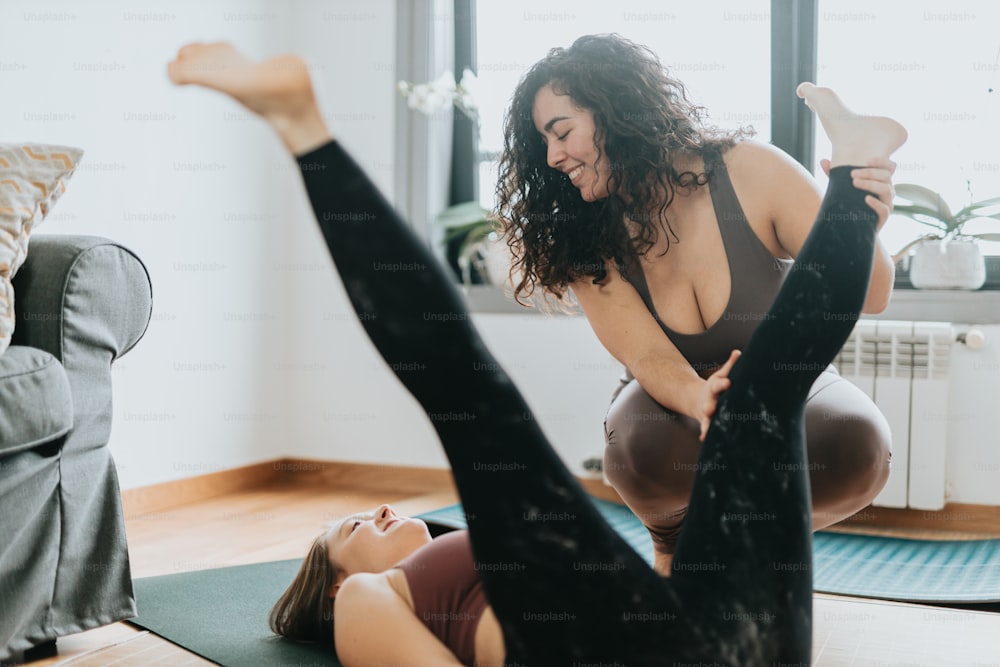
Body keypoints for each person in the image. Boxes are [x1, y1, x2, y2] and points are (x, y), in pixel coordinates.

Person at [167, 39, 906, 666]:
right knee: (482, 398)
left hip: (662, 625)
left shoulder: (433, 563)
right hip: (661, 637)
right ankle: (853, 173)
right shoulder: (363, 595)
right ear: (330, 584)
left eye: (562, 129)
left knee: (483, 401)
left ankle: (302, 126)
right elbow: (646, 357)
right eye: (349, 530)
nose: (377, 510)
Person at [495, 34, 897, 574]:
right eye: (544, 142)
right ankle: (678, 545)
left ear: (618, 110)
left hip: (783, 384)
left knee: (857, 446)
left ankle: (731, 548)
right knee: (640, 451)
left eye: (562, 132)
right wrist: (706, 400)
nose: (552, 156)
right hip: (673, 402)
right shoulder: (583, 233)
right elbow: (647, 358)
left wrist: (856, 218)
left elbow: (871, 294)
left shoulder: (751, 171)